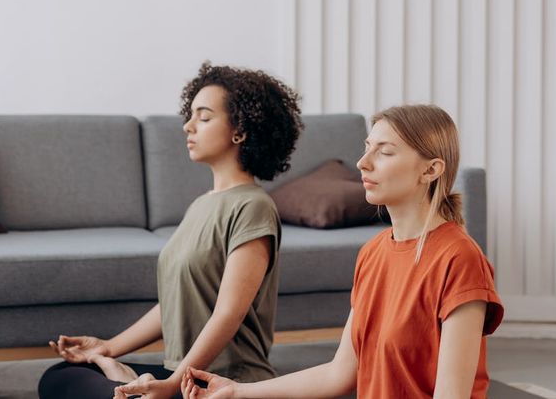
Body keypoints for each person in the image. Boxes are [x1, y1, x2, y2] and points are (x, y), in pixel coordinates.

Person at [179, 104, 504, 399]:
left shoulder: (459, 260)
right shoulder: (373, 253)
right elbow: (340, 374)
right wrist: (237, 391)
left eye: (385, 152)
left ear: (431, 170)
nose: (363, 163)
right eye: (367, 149)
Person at [38, 62, 303, 399]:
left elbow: (228, 313)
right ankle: (125, 382)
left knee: (101, 389)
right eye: (190, 115)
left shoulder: (253, 206)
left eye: (204, 117)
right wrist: (107, 348)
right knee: (62, 376)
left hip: (223, 382)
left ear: (240, 130)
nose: (188, 127)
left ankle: (127, 385)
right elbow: (175, 301)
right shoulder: (201, 205)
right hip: (184, 375)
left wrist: (172, 382)